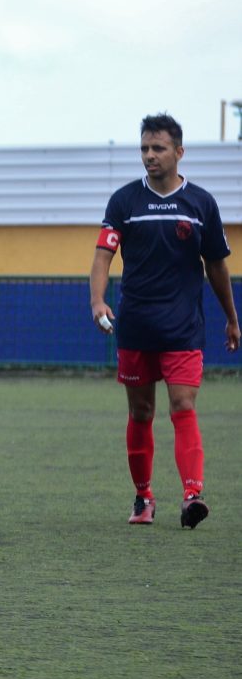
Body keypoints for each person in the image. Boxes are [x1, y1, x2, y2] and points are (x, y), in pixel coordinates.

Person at [89, 113, 239, 528]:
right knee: (140, 413)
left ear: (179, 152)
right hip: (136, 325)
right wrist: (98, 301)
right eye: (144, 148)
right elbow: (102, 256)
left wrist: (231, 318)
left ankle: (193, 495)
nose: (149, 155)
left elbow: (217, 267)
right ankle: (143, 497)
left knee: (183, 405)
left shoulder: (201, 204)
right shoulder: (124, 201)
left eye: (158, 148)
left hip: (183, 328)